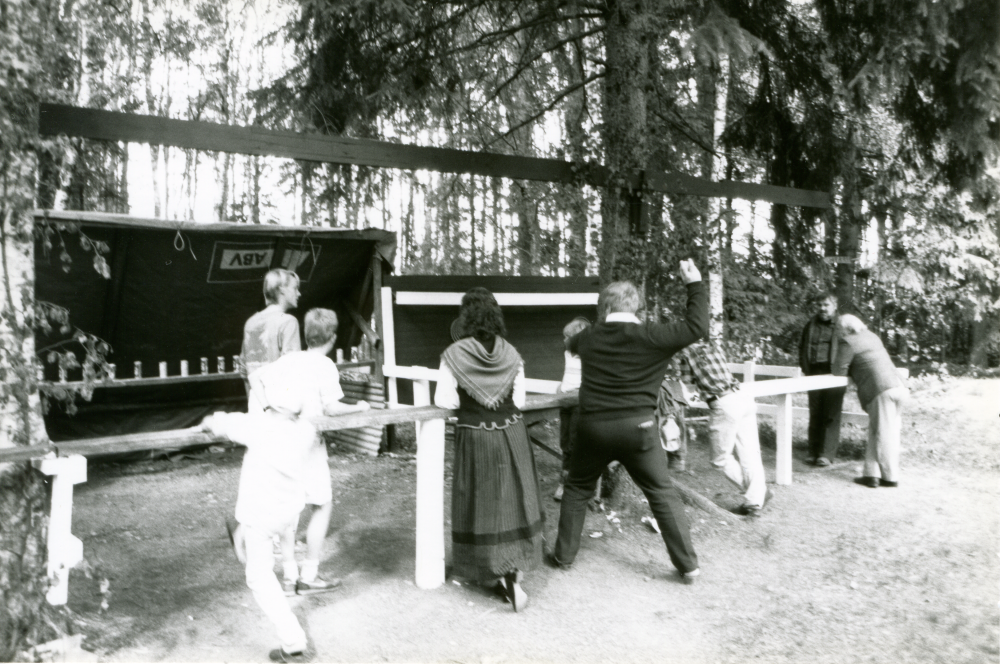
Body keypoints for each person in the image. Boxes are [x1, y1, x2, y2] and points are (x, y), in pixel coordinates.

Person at [551, 260, 707, 584]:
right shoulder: (653, 336)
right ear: (637, 306)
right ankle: (688, 566)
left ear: (604, 307)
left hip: (593, 428)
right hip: (639, 429)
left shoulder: (588, 338)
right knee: (661, 492)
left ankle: (564, 556)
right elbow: (696, 327)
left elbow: (570, 344)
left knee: (578, 488)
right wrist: (694, 284)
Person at [434, 287, 543, 611]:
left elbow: (445, 400)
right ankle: (513, 573)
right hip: (511, 434)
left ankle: (496, 573)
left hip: (476, 436)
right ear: (496, 315)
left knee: (484, 502)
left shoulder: (454, 354)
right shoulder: (512, 353)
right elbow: (520, 401)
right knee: (512, 501)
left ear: (465, 317)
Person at [250, 308, 370, 596]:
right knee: (322, 503)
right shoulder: (324, 364)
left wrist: (268, 407)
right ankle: (310, 575)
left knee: (289, 510)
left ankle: (290, 577)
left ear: (306, 334)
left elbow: (255, 379)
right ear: (332, 337)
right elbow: (331, 407)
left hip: (281, 442)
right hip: (307, 444)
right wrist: (359, 407)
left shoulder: (288, 359)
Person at [200, 394, 318, 662]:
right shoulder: (306, 428)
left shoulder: (255, 425)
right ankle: (243, 534)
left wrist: (214, 421)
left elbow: (212, 423)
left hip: (262, 515)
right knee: (275, 526)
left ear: (270, 404)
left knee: (258, 575)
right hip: (290, 508)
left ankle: (293, 641)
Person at [672, 340, 771, 516]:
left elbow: (686, 386)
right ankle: (755, 500)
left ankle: (758, 493)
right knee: (750, 454)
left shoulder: (684, 352)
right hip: (742, 396)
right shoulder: (712, 345)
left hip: (725, 404)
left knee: (720, 459)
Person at [831, 314, 908, 488]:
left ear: (846, 328)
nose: (835, 331)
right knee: (878, 431)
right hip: (899, 386)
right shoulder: (872, 336)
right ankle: (870, 475)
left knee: (884, 434)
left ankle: (890, 477)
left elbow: (838, 370)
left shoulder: (847, 341)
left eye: (837, 328)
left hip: (881, 390)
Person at [798, 291, 845, 467]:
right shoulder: (810, 324)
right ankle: (813, 452)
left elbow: (849, 347)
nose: (822, 308)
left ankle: (826, 454)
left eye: (826, 305)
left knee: (831, 413)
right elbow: (802, 346)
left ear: (834, 306)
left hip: (835, 372)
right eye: (820, 305)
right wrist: (805, 366)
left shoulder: (841, 325)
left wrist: (843, 370)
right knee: (815, 412)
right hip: (814, 372)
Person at [240, 268, 302, 396]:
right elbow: (292, 368)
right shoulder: (288, 321)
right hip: (280, 403)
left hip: (256, 400)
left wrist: (255, 401)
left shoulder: (251, 322)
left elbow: (244, 369)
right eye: (295, 288)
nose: (299, 293)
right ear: (281, 290)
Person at [553, 316, 591, 501]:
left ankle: (568, 482)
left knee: (573, 443)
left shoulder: (588, 355)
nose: (564, 340)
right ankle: (566, 478)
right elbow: (567, 374)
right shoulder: (567, 354)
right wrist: (561, 386)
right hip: (565, 400)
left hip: (578, 401)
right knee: (564, 440)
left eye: (567, 337)